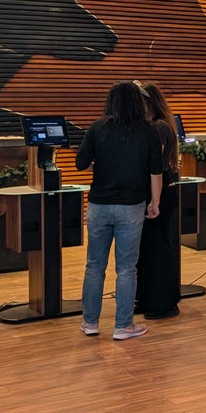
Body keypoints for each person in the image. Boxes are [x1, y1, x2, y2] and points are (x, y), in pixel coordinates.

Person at [75, 81, 163, 340]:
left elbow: (81, 163)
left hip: (98, 205)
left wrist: (102, 166)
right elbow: (155, 172)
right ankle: (123, 326)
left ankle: (90, 322)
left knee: (94, 266)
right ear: (137, 101)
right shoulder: (148, 131)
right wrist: (155, 202)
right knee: (126, 268)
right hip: (131, 206)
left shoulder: (97, 127)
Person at [137, 82, 181, 320]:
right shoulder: (158, 126)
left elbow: (154, 162)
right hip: (156, 189)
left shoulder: (158, 127)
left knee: (158, 247)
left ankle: (162, 301)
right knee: (147, 247)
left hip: (159, 191)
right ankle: (146, 297)